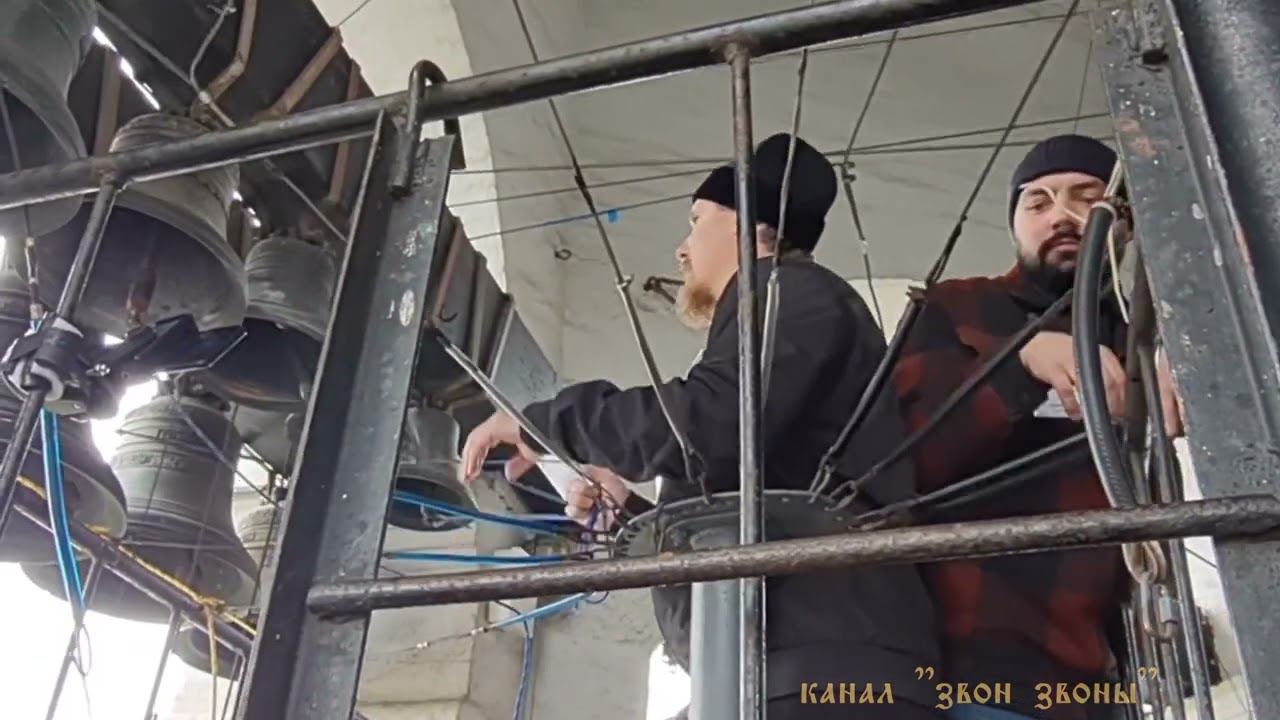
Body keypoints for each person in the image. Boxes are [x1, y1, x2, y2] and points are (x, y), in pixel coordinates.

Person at [462, 133, 942, 718]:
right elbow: (744, 492)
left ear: (744, 223)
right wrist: (629, 511)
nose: (682, 249)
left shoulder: (790, 292)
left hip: (822, 667)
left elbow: (709, 423)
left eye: (695, 221)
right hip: (786, 660)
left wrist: (546, 421)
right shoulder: (782, 303)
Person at [892, 134, 1182, 720]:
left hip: (1101, 667)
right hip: (969, 661)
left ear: (1125, 223)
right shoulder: (955, 306)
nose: (1061, 216)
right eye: (1038, 202)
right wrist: (1020, 366)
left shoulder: (1145, 332)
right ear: (1015, 224)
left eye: (1086, 198)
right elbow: (905, 460)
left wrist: (1195, 369)